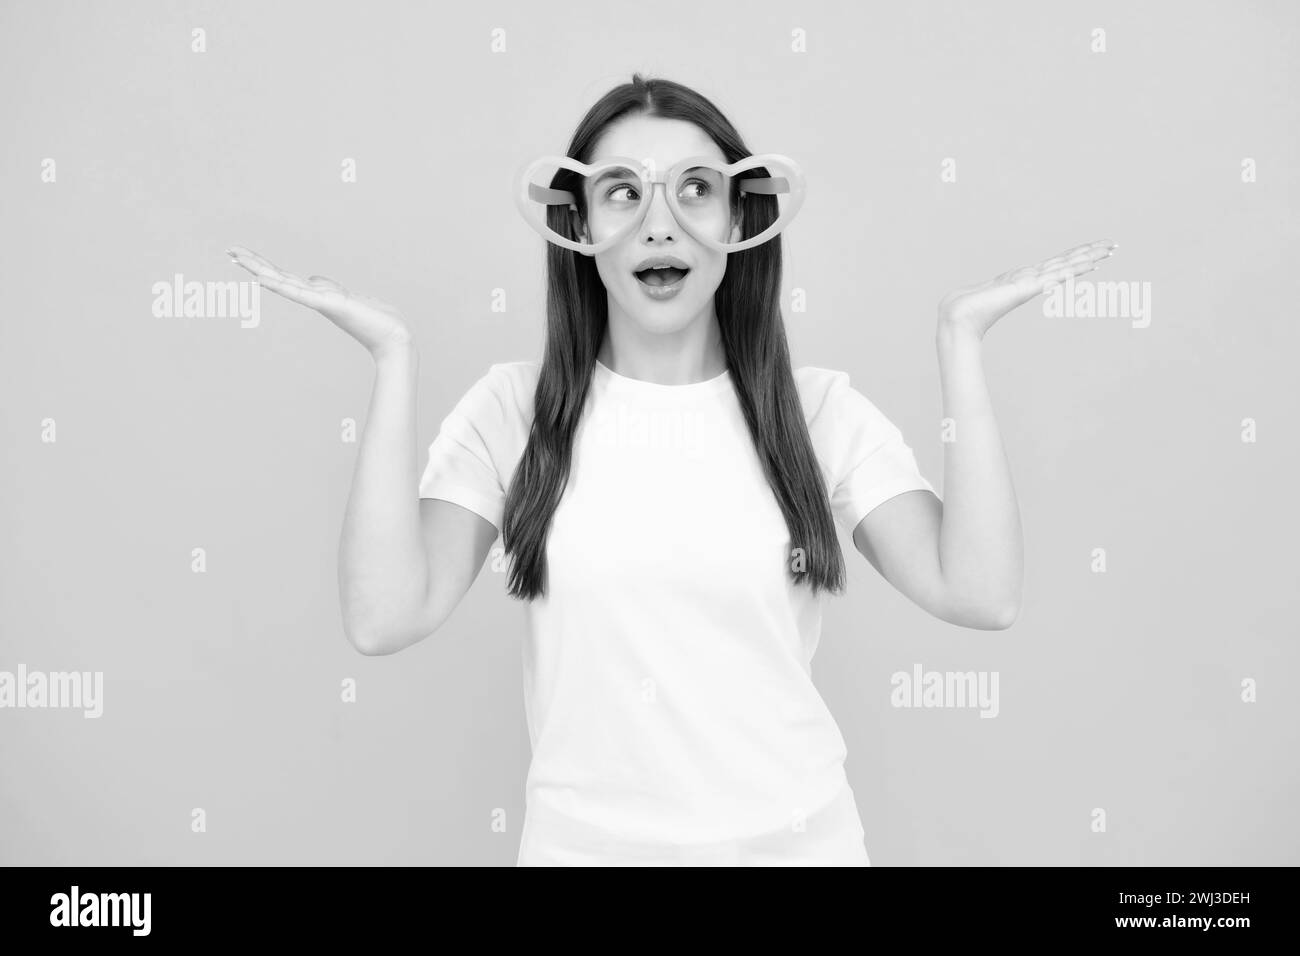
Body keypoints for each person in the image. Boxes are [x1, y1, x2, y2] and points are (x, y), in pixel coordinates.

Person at [227, 73, 1115, 866]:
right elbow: (383, 617)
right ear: (578, 225)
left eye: (696, 189)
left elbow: (981, 592)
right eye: (624, 193)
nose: (661, 223)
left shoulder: (816, 413)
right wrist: (394, 361)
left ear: (740, 221)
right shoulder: (514, 410)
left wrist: (960, 343)